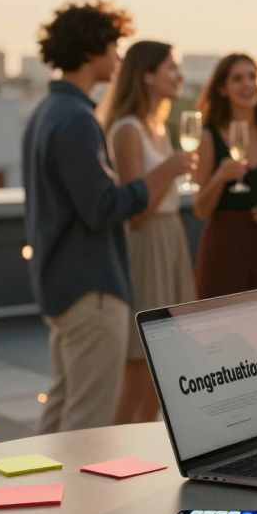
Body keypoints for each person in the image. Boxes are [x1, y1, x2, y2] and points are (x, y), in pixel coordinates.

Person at [23, 0, 194, 433]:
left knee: (62, 411)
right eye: (114, 46)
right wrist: (156, 177)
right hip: (92, 290)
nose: (119, 57)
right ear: (92, 48)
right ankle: (81, 503)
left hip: (61, 285)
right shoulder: (77, 119)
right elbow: (102, 209)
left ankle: (41, 498)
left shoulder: (45, 113)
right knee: (88, 425)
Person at [98, 40, 199, 424]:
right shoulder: (128, 130)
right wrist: (170, 170)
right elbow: (135, 214)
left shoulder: (158, 126)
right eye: (171, 67)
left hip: (170, 239)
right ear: (147, 75)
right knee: (142, 368)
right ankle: (116, 462)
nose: (179, 76)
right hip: (147, 245)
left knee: (167, 374)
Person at [192, 53, 257, 366]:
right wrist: (221, 178)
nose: (248, 84)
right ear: (222, 88)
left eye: (253, 77)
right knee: (220, 345)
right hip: (223, 246)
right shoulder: (210, 136)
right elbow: (199, 207)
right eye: (237, 78)